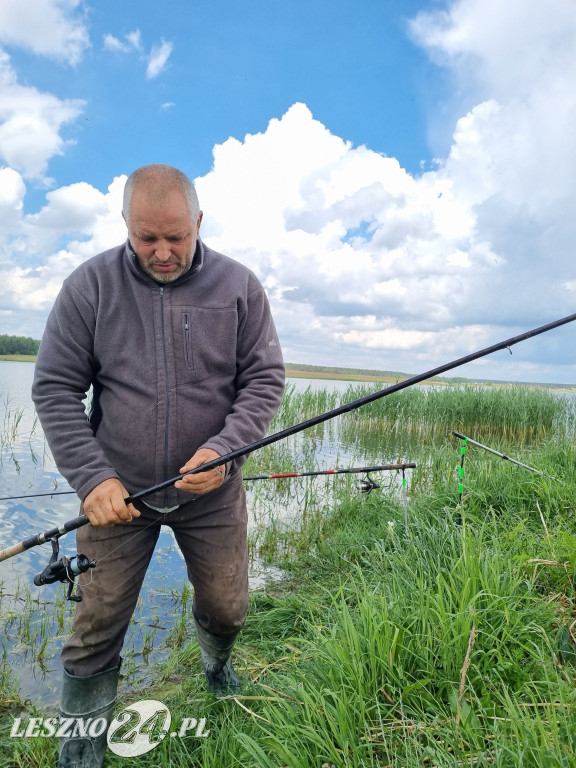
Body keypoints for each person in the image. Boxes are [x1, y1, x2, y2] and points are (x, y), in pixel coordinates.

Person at [32, 164, 285, 768]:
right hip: (119, 499)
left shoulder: (239, 286)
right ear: (126, 225)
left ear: (198, 222)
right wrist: (92, 478)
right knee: (93, 628)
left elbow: (264, 380)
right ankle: (80, 755)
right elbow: (54, 388)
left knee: (227, 606)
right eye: (147, 238)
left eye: (176, 236)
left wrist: (225, 450)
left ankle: (216, 668)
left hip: (213, 493)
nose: (163, 252)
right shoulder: (89, 286)